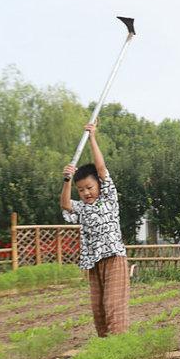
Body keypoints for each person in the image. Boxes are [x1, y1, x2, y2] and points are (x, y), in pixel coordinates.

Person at [61, 123, 129, 337]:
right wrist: (67, 181)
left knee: (113, 306)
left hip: (114, 257)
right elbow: (65, 205)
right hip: (93, 262)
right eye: (81, 190)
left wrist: (92, 137)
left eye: (89, 187)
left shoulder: (108, 197)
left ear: (99, 185)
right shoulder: (82, 207)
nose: (86, 193)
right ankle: (105, 348)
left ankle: (120, 348)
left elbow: (100, 168)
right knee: (98, 311)